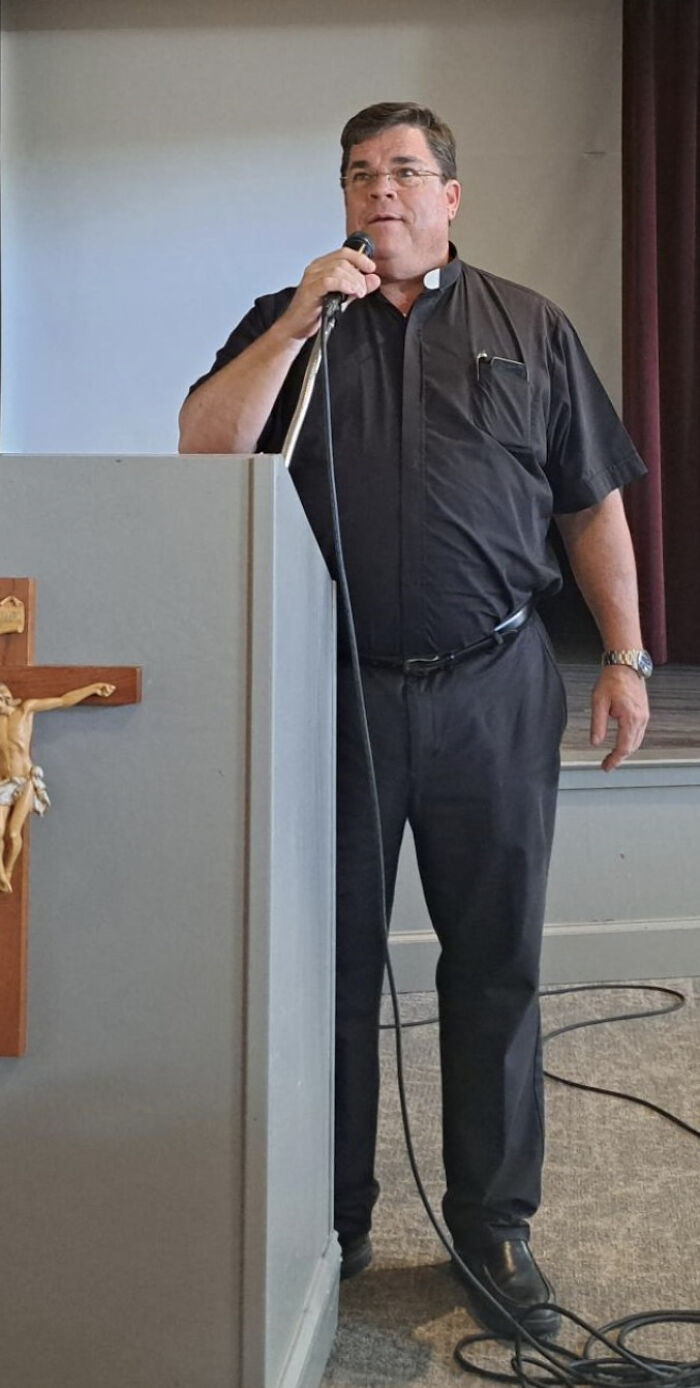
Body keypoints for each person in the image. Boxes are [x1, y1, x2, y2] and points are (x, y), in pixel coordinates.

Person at [179, 102, 650, 1339]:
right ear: (341, 201)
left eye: (403, 172)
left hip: (495, 689)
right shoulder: (294, 328)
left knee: (495, 961)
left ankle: (494, 1225)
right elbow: (203, 448)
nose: (378, 190)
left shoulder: (528, 326)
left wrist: (626, 653)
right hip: (332, 692)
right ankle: (328, 1222)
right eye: (357, 174)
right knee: (326, 973)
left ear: (450, 195)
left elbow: (588, 503)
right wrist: (294, 317)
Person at [0, 681, 115, 892]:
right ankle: (1, 876)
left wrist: (92, 688)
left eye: (1, 697)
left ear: (7, 697)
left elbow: (63, 700)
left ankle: (7, 872)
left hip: (25, 781)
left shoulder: (25, 710)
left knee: (13, 834)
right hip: (4, 784)